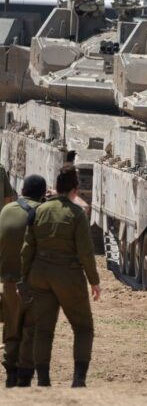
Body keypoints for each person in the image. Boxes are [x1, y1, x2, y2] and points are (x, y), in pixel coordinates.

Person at [20, 165, 101, 387]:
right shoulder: (77, 214)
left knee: (43, 329)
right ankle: (78, 381)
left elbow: (27, 248)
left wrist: (24, 278)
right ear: (76, 189)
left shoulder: (39, 211)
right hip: (68, 277)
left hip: (40, 275)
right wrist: (94, 281)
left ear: (56, 187)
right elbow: (86, 253)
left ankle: (43, 380)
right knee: (83, 328)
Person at [0, 174, 45, 387]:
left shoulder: (6, 210)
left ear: (22, 191)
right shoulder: (44, 213)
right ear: (42, 194)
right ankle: (25, 375)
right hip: (36, 284)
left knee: (12, 327)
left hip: (10, 281)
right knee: (31, 329)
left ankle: (11, 371)